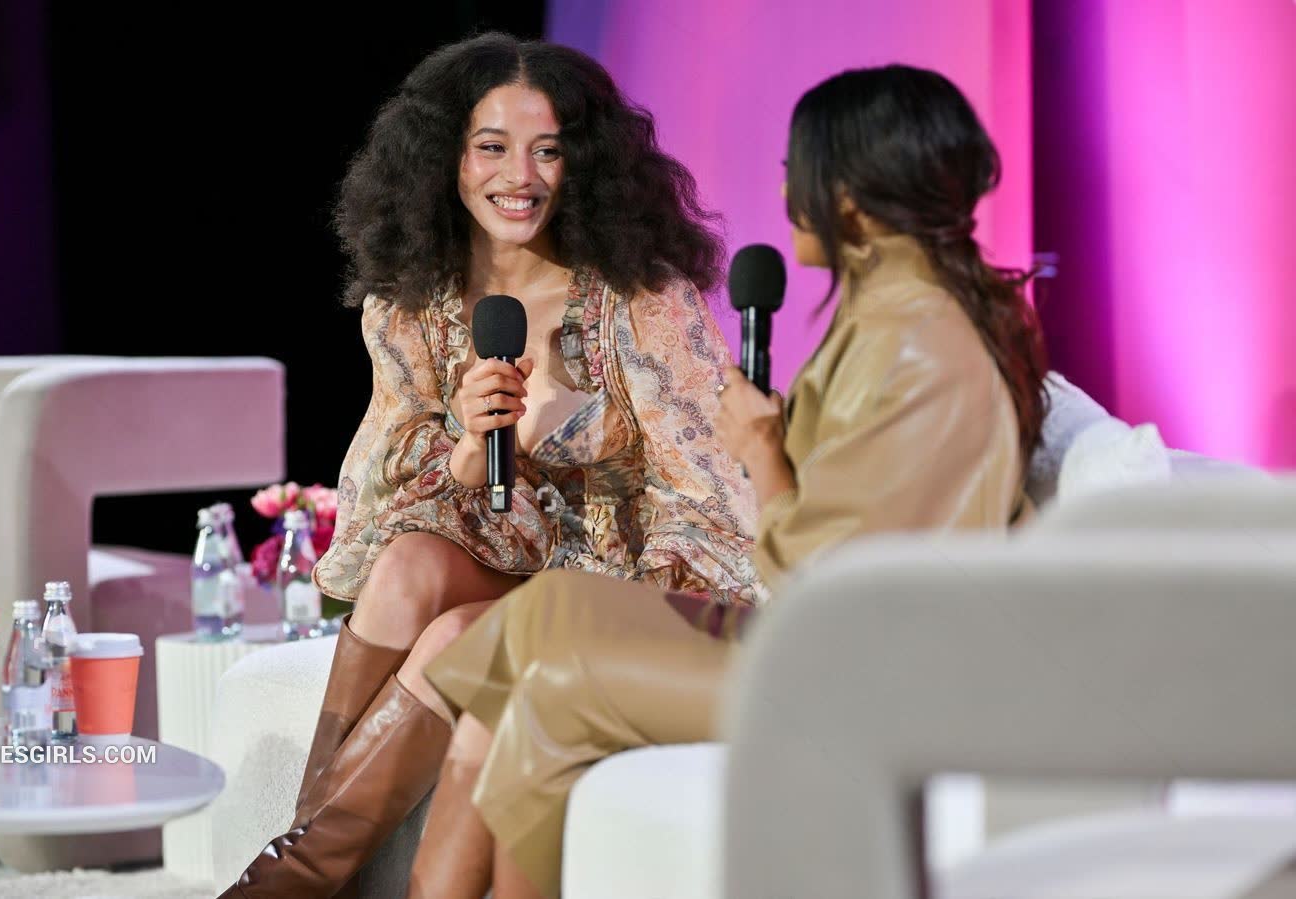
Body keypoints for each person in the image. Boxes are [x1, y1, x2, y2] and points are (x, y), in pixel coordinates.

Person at [408, 63, 1051, 899]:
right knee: (543, 610)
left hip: (866, 675)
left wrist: (765, 455)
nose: (785, 189)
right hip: (829, 642)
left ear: (854, 197)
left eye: (799, 170)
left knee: (549, 695)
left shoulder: (923, 344)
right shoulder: (893, 312)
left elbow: (836, 580)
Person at [220, 32, 761, 898]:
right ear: (446, 156)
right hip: (511, 554)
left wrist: (581, 445)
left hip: (626, 575)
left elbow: (709, 489)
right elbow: (395, 491)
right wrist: (472, 452)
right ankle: (301, 864)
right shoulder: (413, 302)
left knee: (451, 639)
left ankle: (287, 883)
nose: (522, 177)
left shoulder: (638, 298)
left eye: (549, 150)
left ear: (584, 161)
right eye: (493, 147)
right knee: (406, 568)